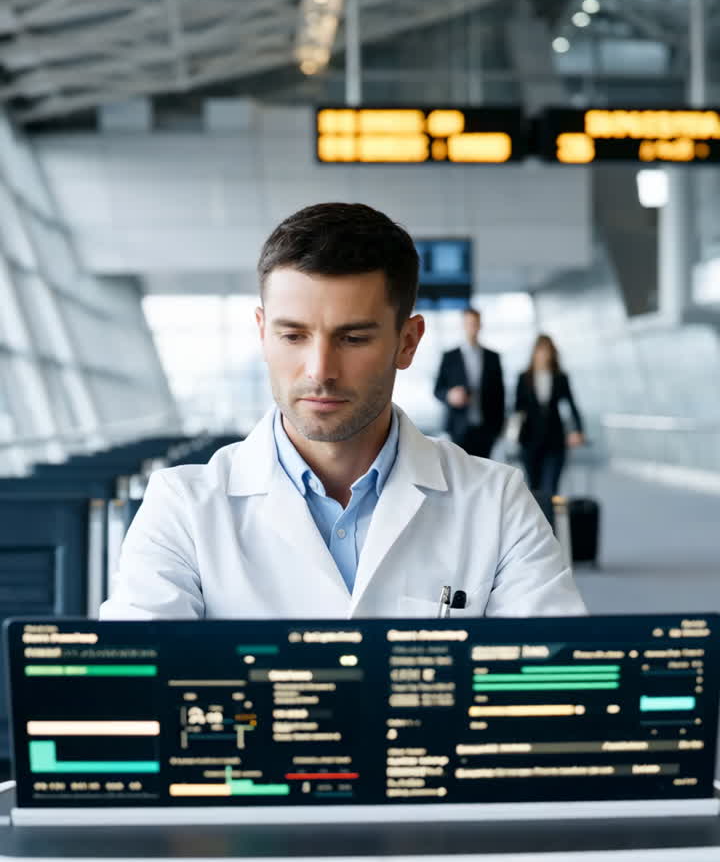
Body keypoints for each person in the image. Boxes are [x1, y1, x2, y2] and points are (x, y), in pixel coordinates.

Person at [100, 203, 585, 620]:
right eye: (293, 336)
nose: (320, 370)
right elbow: (129, 700)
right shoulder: (182, 508)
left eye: (353, 339)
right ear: (262, 334)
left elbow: (559, 691)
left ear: (407, 342)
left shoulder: (497, 502)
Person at [514, 333, 585, 498]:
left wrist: (577, 430)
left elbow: (572, 406)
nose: (544, 355)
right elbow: (517, 409)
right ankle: (536, 523)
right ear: (534, 353)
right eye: (541, 350)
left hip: (555, 440)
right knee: (534, 488)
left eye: (547, 351)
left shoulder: (560, 377)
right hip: (529, 440)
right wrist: (514, 433)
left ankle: (549, 523)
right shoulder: (524, 378)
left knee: (551, 488)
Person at [433, 308, 505, 458]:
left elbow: (500, 394)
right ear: (463, 325)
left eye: (475, 323)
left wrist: (499, 427)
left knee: (484, 472)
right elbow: (437, 389)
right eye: (469, 323)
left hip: (486, 427)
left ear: (480, 325)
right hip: (458, 427)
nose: (472, 327)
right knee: (459, 474)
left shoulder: (493, 358)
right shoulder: (450, 357)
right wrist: (449, 395)